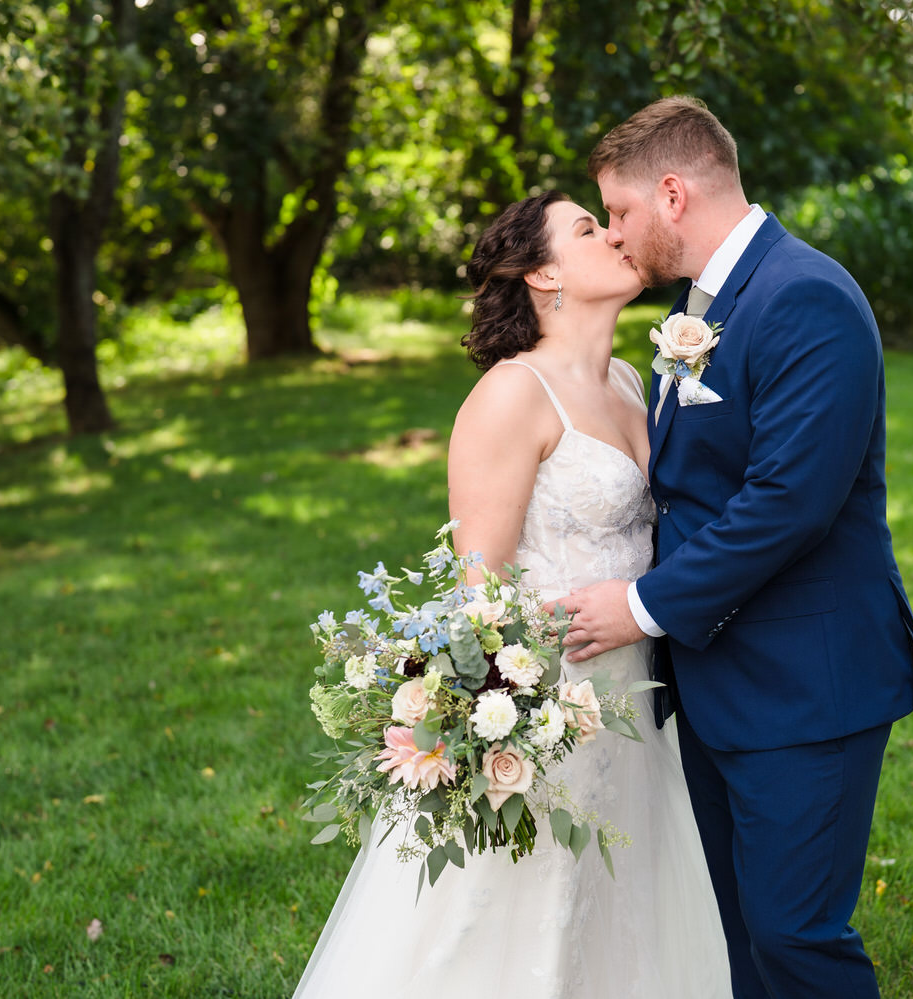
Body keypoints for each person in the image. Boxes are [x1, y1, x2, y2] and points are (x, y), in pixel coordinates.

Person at [291, 191, 733, 997]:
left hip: (636, 695)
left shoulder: (635, 379)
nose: (615, 235)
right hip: (549, 707)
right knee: (516, 910)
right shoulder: (512, 394)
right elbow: (480, 589)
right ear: (543, 272)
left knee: (626, 898)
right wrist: (509, 720)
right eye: (588, 229)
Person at [562, 96, 913, 999]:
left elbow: (789, 503)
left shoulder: (805, 296)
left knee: (795, 936)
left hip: (809, 680)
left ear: (674, 193)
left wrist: (641, 606)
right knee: (735, 933)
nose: (615, 234)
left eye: (619, 211)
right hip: (721, 677)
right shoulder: (704, 302)